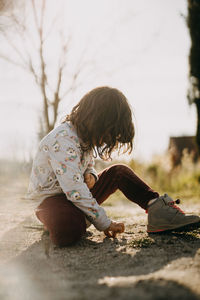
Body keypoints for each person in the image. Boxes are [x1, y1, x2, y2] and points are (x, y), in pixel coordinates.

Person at [27, 86, 200, 247]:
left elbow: (86, 166)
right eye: (109, 133)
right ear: (97, 121)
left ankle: (158, 209)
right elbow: (74, 189)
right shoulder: (63, 139)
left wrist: (92, 175)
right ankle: (62, 219)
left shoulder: (84, 138)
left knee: (119, 171)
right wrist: (105, 223)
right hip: (51, 200)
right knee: (67, 231)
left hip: (76, 195)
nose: (106, 141)